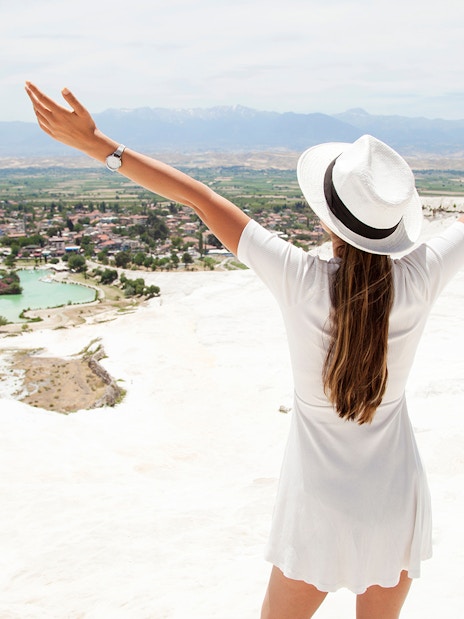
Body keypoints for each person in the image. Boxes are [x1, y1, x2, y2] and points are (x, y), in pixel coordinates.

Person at [25, 82, 464, 619]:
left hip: (319, 508)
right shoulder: (421, 277)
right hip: (395, 500)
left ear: (326, 218)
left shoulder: (299, 279)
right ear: (394, 224)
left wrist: (99, 145)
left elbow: (199, 198)